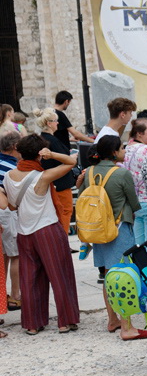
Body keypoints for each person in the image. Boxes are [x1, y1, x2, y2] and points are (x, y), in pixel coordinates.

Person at [1, 134, 79, 335]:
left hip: (24, 232)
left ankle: (33, 324)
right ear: (39, 154)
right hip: (47, 229)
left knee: (30, 278)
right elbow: (72, 161)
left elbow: (10, 205)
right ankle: (65, 321)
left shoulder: (9, 176)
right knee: (60, 274)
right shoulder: (42, 176)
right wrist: (51, 153)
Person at [85, 135, 147, 340]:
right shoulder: (121, 173)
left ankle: (112, 318)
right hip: (119, 227)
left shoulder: (89, 172)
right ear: (114, 152)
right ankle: (127, 326)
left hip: (98, 230)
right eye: (122, 149)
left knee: (108, 274)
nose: (124, 152)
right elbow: (134, 203)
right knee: (122, 274)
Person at [28, 108, 75, 233]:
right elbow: (63, 160)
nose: (57, 123)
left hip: (51, 182)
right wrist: (72, 158)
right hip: (60, 183)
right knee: (65, 212)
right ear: (49, 123)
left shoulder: (42, 139)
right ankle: (63, 242)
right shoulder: (52, 140)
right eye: (55, 121)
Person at [121, 118, 147, 243]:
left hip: (134, 202)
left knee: (139, 242)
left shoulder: (125, 149)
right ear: (139, 133)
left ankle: (141, 263)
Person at [0, 132, 20, 318]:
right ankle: (15, 296)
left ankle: (2, 297)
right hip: (5, 211)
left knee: (3, 256)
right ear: (15, 147)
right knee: (15, 254)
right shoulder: (11, 168)